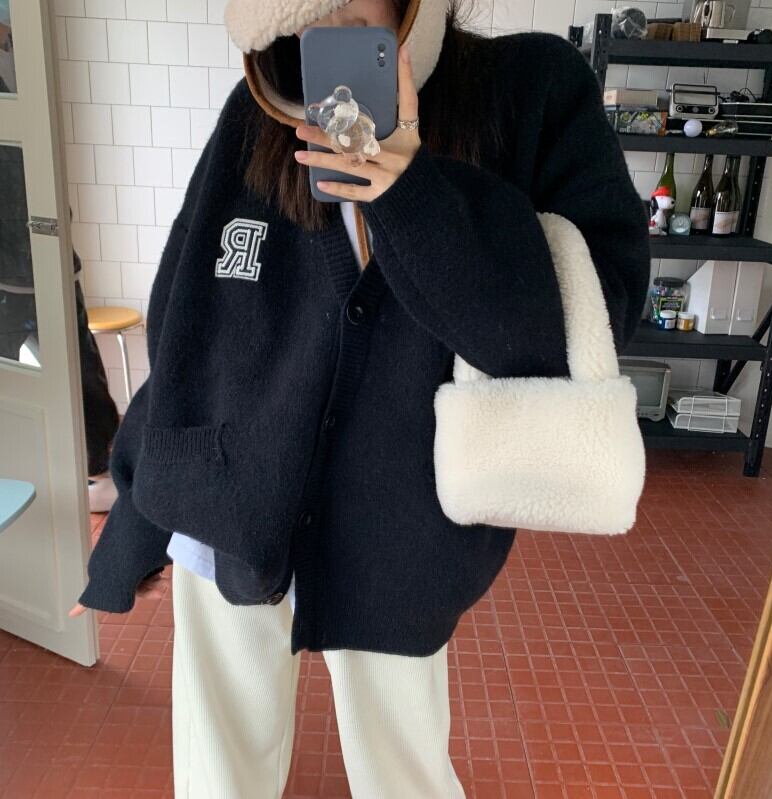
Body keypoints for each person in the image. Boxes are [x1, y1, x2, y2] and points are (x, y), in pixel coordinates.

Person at [70, 0, 651, 796]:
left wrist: (413, 192)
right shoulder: (261, 106)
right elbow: (186, 332)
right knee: (216, 778)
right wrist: (134, 524)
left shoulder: (531, 90)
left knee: (402, 774)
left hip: (398, 532)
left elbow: (595, 316)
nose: (326, 17)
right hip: (229, 507)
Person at [0, 145, 119, 509]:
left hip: (52, 276)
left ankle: (97, 470)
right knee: (72, 379)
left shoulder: (28, 134)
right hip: (22, 281)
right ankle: (91, 470)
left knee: (82, 379)